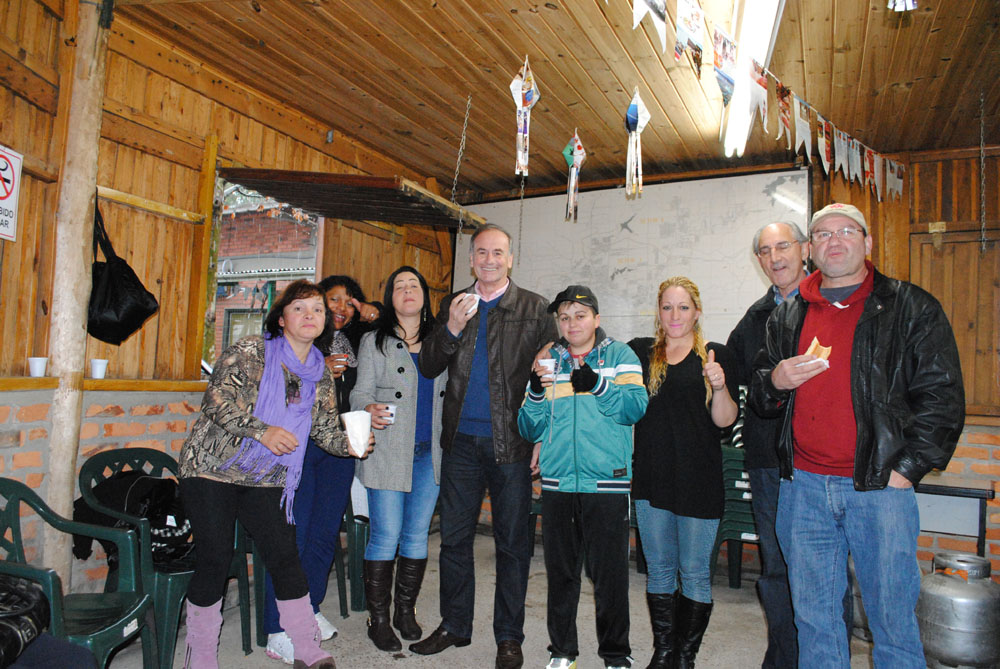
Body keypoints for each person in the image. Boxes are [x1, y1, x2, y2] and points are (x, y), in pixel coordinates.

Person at [750, 202, 965, 668]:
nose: (835, 241)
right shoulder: (788, 315)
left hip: (879, 489)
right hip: (803, 490)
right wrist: (775, 382)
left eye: (847, 231)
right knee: (815, 620)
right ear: (811, 249)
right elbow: (763, 399)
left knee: (892, 622)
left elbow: (943, 398)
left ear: (867, 242)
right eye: (823, 234)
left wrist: (906, 470)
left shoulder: (910, 306)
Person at [178, 279, 371, 669]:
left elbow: (323, 431)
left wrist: (349, 444)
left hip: (266, 476)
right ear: (281, 319)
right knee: (216, 556)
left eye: (317, 310)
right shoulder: (252, 351)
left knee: (285, 555)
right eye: (299, 308)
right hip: (212, 468)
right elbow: (216, 400)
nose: (309, 315)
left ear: (325, 322)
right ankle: (200, 656)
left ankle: (304, 646)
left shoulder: (319, 374)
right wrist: (262, 431)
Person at [414, 223, 558, 669]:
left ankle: (509, 637)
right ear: (472, 258)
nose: (490, 260)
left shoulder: (535, 308)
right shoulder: (454, 304)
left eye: (498, 253)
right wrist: (452, 328)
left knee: (512, 544)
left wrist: (543, 434)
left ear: (510, 259)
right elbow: (429, 365)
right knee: (454, 540)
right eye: (481, 252)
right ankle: (455, 625)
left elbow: (557, 371)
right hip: (460, 442)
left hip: (512, 443)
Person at [517, 285, 648, 669]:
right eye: (565, 317)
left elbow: (635, 408)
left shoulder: (620, 356)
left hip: (606, 483)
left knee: (610, 577)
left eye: (580, 315)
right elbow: (527, 427)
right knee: (561, 575)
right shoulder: (549, 362)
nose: (572, 323)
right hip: (558, 483)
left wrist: (598, 385)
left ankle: (616, 654)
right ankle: (562, 652)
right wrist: (536, 393)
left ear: (596, 319)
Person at [262, 275, 381, 662]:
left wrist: (371, 310)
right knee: (292, 539)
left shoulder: (354, 340)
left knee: (323, 535)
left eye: (348, 301)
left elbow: (392, 322)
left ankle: (308, 608)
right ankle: (277, 627)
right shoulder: (293, 346)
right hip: (298, 447)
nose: (338, 308)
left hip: (338, 444)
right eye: (331, 300)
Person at [628, 277, 739, 669]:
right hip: (652, 479)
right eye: (667, 307)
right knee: (659, 570)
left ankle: (684, 658)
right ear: (658, 312)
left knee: (693, 573)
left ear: (697, 312)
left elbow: (725, 421)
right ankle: (663, 653)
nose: (675, 315)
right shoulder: (641, 353)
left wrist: (719, 386)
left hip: (699, 481)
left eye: (683, 307)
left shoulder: (715, 355)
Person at [350, 266, 447, 652]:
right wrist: (368, 407)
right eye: (399, 286)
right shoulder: (374, 341)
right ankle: (378, 619)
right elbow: (359, 393)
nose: (407, 290)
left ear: (424, 295)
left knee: (416, 534)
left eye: (414, 285)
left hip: (430, 453)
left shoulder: (443, 339)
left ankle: (405, 611)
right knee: (386, 535)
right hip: (388, 450)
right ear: (391, 297)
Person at [725, 221, 808, 668]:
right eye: (765, 250)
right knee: (775, 570)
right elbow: (729, 373)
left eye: (783, 246)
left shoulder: (828, 304)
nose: (775, 257)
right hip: (768, 463)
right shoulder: (755, 318)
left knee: (823, 571)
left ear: (804, 249)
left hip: (822, 463)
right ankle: (782, 660)